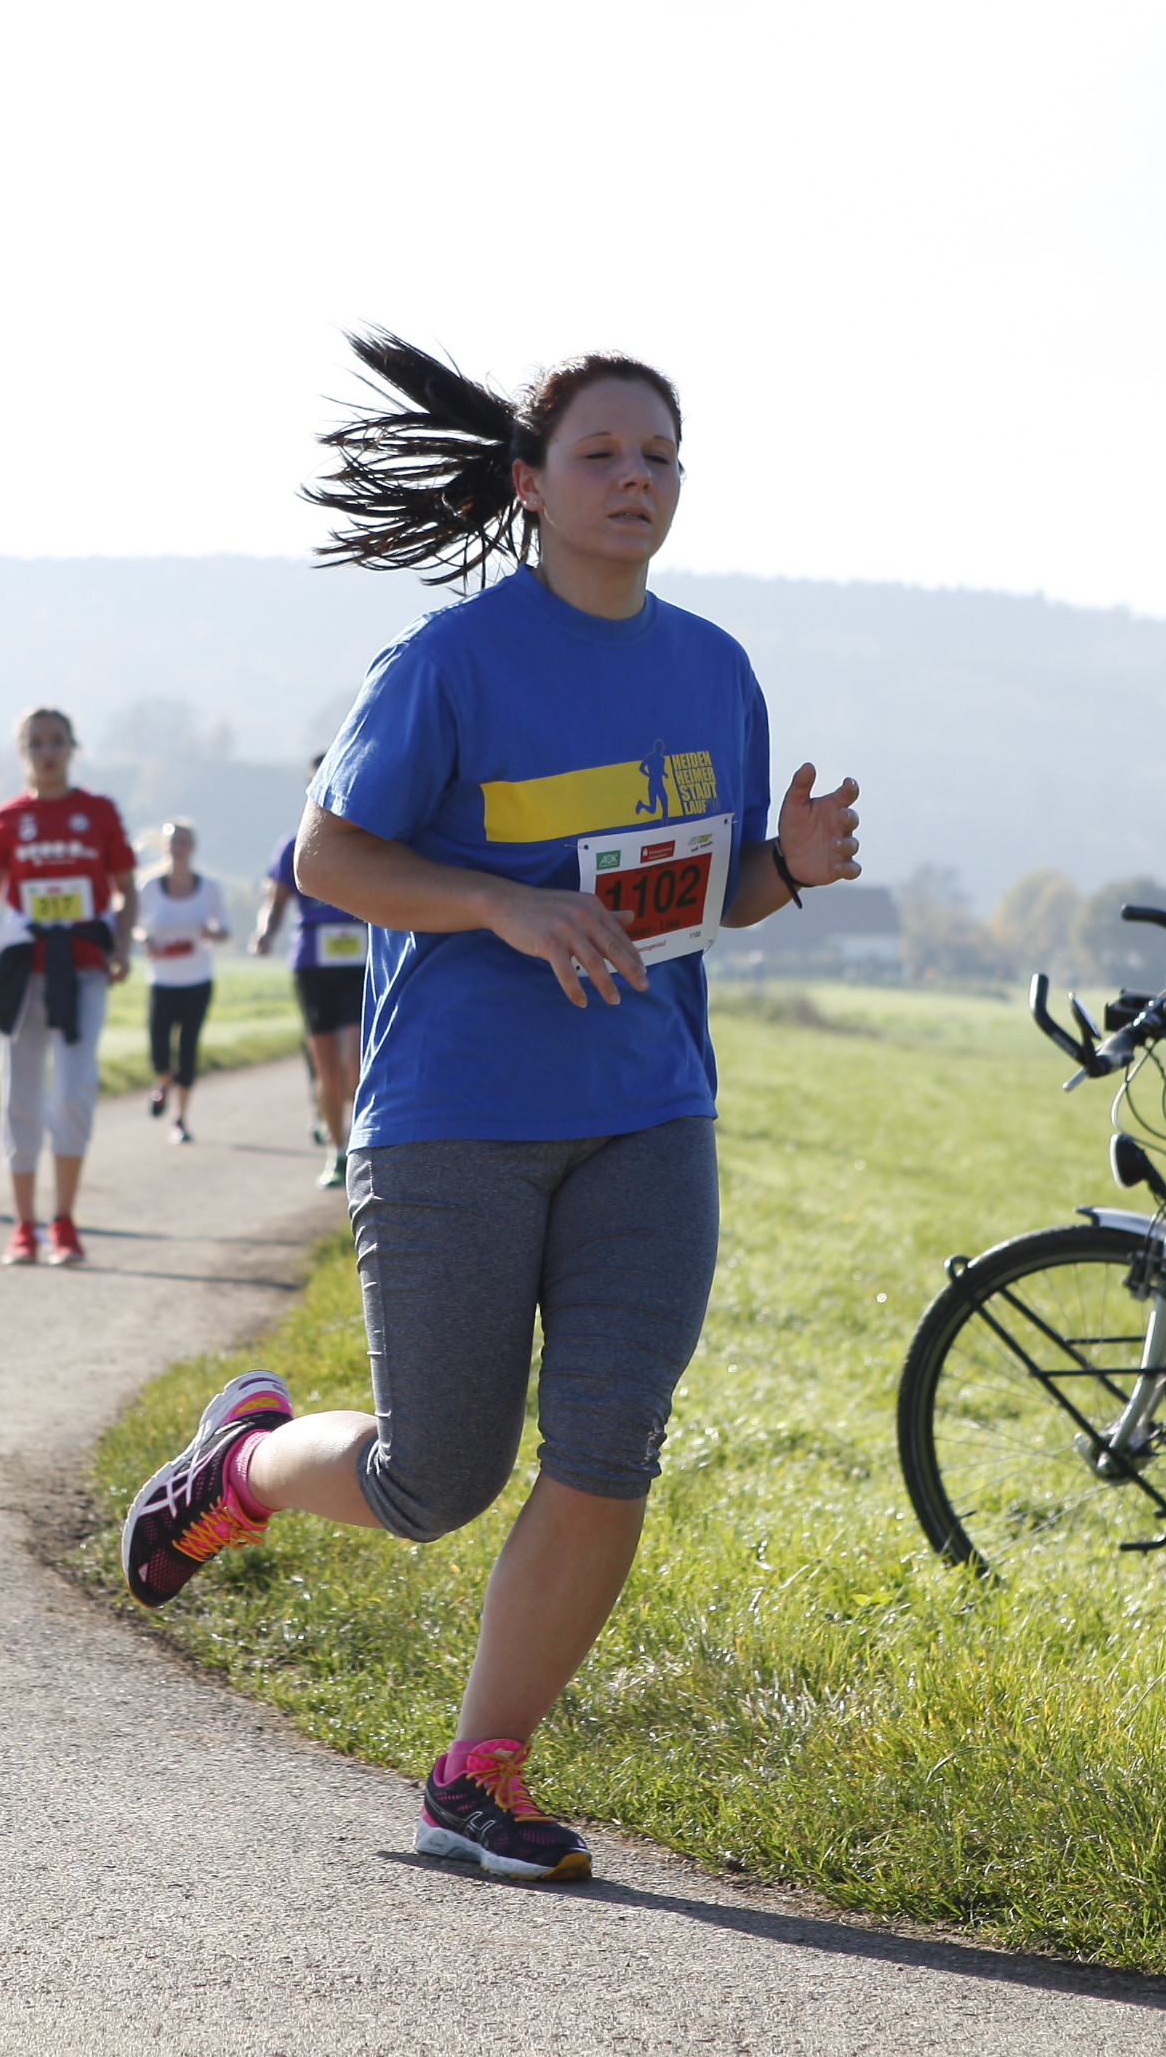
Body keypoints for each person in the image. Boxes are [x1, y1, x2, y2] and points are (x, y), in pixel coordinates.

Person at [118, 333, 863, 1884]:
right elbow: (328, 860)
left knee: (609, 1441)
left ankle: (478, 1774)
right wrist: (499, 905)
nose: (636, 480)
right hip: (453, 1114)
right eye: (602, 454)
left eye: (659, 457)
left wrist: (785, 869)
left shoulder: (713, 669)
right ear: (530, 483)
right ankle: (242, 1465)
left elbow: (694, 894)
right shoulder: (448, 664)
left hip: (649, 1112)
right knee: (434, 1481)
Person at [0, 707, 135, 1267]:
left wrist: (122, 946)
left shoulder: (98, 813)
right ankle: (23, 1227)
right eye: (37, 742)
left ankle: (63, 1222)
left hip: (83, 969)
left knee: (72, 1090)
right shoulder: (7, 819)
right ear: (23, 753)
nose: (47, 751)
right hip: (22, 974)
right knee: (18, 1096)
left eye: (57, 741)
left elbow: (125, 890)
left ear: (72, 748)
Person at [254, 762, 369, 1192]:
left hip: (359, 962)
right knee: (328, 1070)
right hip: (313, 965)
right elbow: (275, 901)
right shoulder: (293, 844)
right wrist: (264, 934)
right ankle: (336, 1152)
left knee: (355, 1062)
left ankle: (358, 1145)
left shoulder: (369, 839)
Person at [136, 819, 229, 1143]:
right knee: (159, 1048)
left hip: (197, 980)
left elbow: (225, 930)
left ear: (193, 847)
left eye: (185, 841)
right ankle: (164, 1079)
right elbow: (134, 925)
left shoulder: (210, 887)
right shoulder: (148, 887)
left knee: (188, 1049)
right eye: (174, 841)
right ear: (165, 846)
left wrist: (210, 933)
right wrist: (145, 941)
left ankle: (180, 1118)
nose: (179, 847)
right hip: (162, 980)